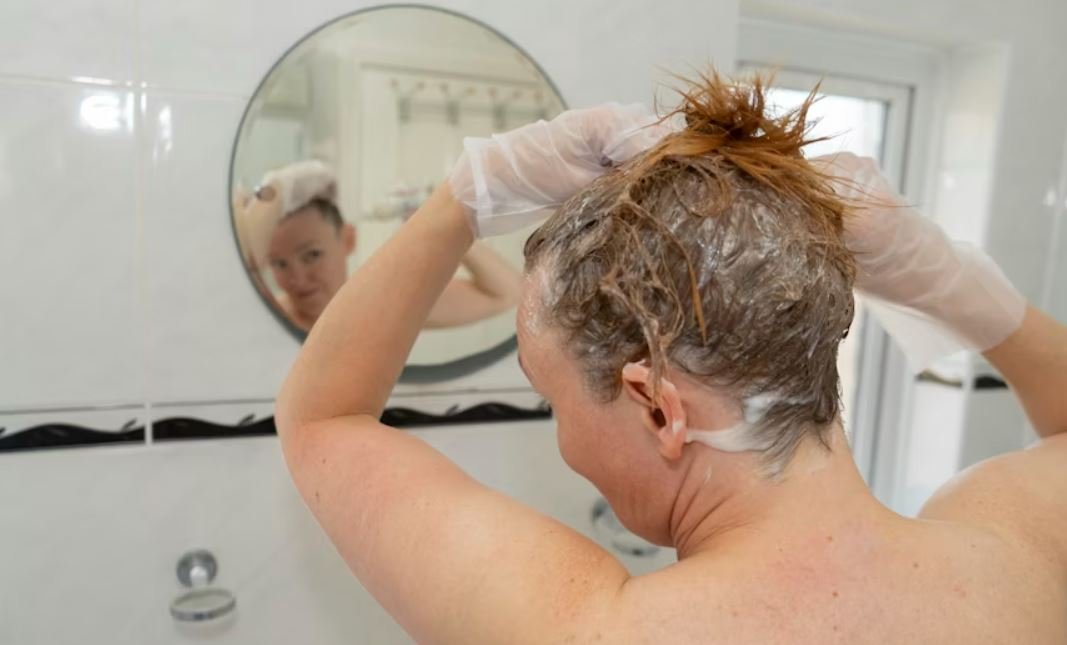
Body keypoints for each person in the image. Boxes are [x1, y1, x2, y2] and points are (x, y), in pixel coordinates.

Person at [274, 74, 1067, 643]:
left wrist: (465, 195)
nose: (562, 438)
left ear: (658, 406)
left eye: (553, 400)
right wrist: (953, 284)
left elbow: (323, 419)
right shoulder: (1019, 555)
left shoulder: (581, 626)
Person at [235, 160, 523, 332]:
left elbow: (507, 292)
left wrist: (446, 217)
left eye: (311, 255)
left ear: (347, 239)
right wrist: (276, 192)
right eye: (279, 264)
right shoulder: (264, 317)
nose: (296, 279)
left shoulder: (382, 307)